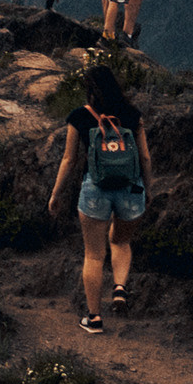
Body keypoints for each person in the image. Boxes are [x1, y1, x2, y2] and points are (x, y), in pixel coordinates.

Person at [49, 59, 152, 331]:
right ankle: (119, 287)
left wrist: (56, 193)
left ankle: (94, 318)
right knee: (121, 241)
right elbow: (144, 156)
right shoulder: (132, 114)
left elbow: (69, 160)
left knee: (94, 255)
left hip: (95, 189)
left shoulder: (79, 117)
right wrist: (148, 189)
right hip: (131, 189)